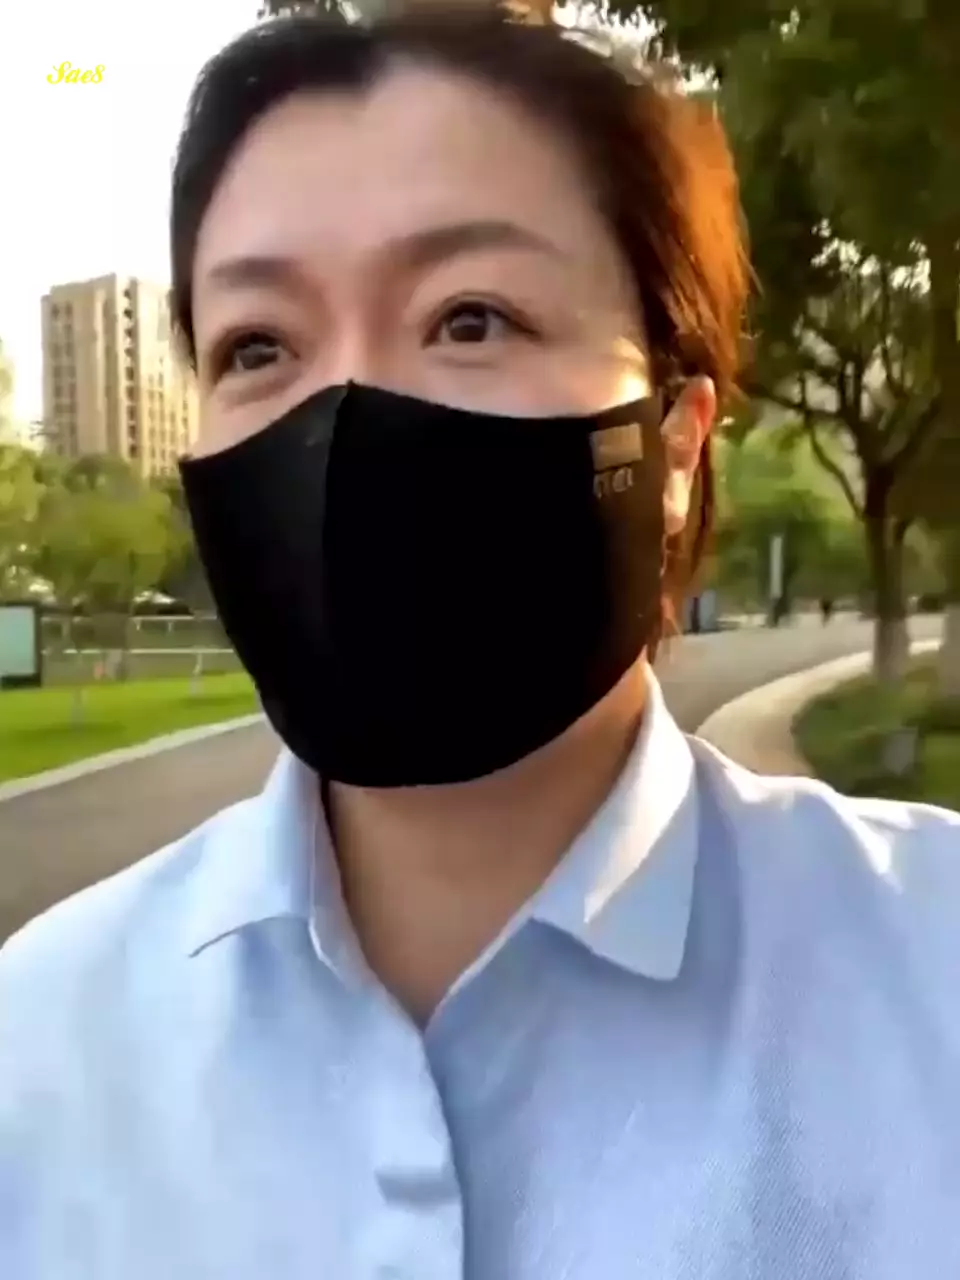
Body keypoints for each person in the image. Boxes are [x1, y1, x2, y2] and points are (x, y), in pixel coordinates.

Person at [3, 9, 960, 1278]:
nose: (344, 413)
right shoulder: (42, 1038)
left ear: (676, 439)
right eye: (259, 345)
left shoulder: (931, 966)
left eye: (470, 318)